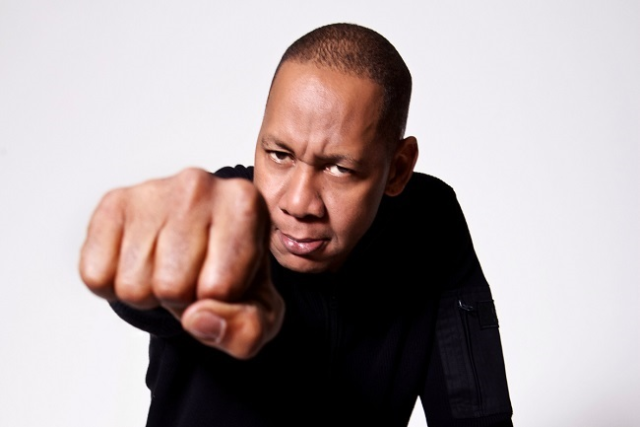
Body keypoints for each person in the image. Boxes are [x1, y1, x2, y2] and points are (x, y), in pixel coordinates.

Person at [79, 22, 513, 427]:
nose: (299, 203)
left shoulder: (430, 224)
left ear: (397, 170)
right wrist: (144, 248)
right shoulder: (222, 219)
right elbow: (159, 270)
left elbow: (475, 413)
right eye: (279, 155)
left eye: (339, 168)